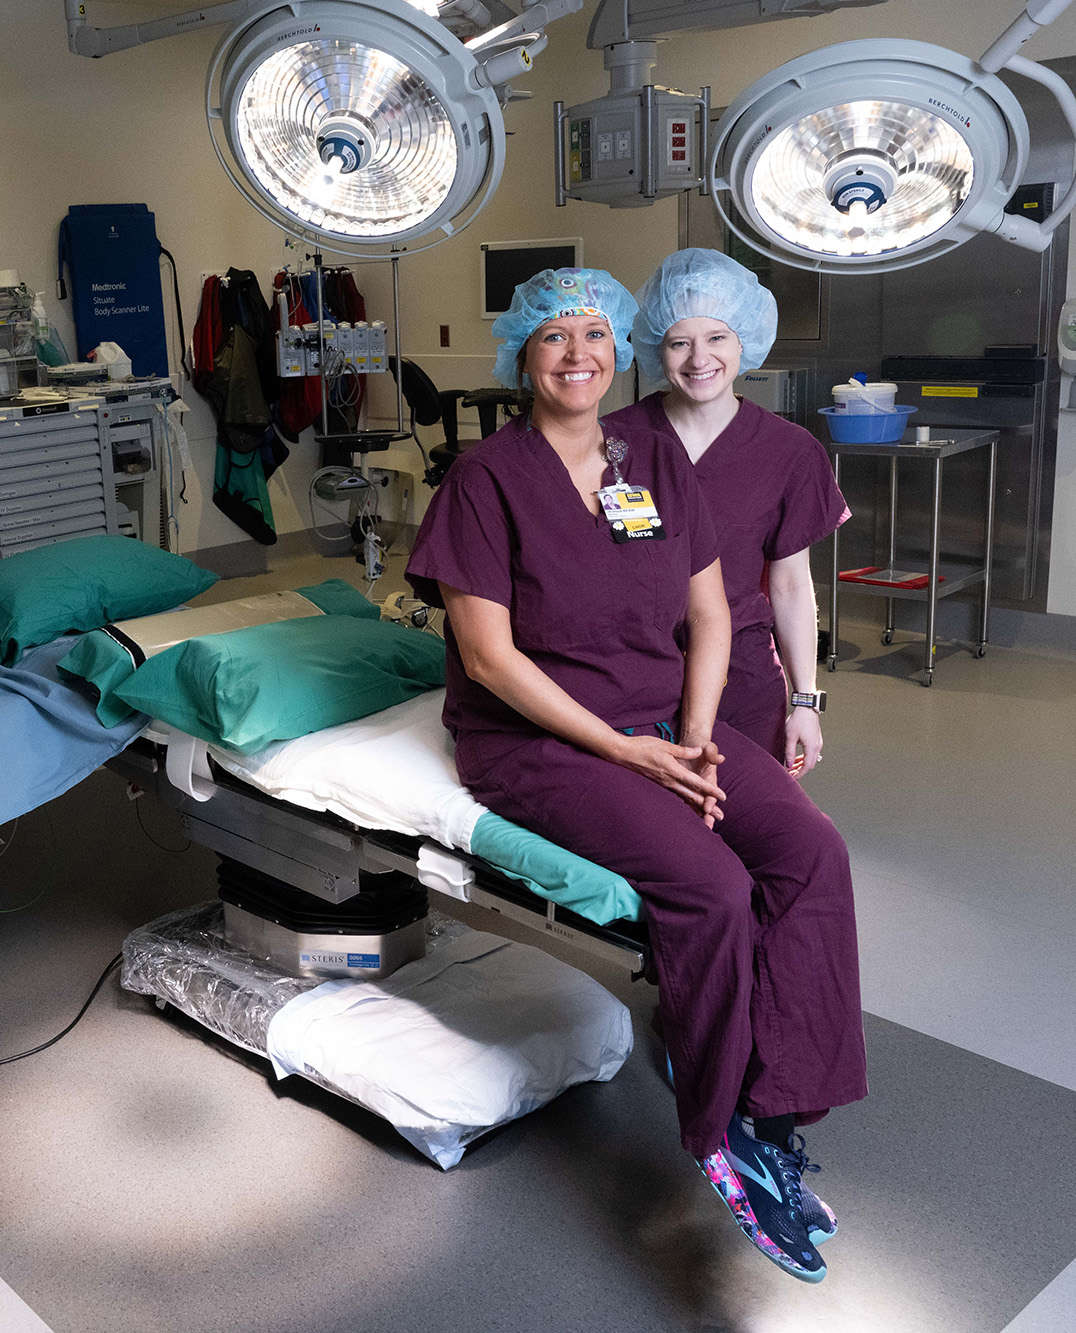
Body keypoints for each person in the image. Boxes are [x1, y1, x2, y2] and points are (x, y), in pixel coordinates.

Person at [405, 268, 867, 1284]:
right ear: (521, 357)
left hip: (668, 718)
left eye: (595, 335)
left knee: (808, 853)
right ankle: (716, 1132)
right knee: (707, 886)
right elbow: (487, 658)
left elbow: (711, 612)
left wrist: (696, 736)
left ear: (619, 350)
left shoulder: (650, 455)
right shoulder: (483, 478)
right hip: (540, 742)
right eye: (554, 338)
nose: (578, 354)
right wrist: (628, 752)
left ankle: (772, 1107)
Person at [604, 250, 849, 776]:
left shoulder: (790, 451)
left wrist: (806, 701)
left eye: (717, 338)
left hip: (742, 678)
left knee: (744, 824)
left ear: (745, 340)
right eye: (679, 342)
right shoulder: (613, 441)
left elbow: (790, 585)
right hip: (631, 674)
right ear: (655, 348)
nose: (699, 359)